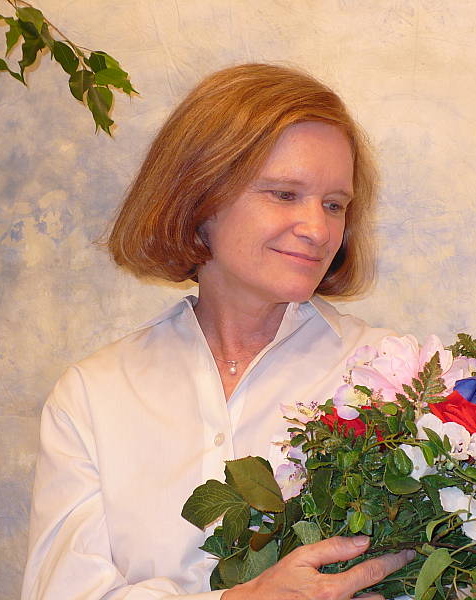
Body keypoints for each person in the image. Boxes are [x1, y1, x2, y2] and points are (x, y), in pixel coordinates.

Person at [21, 63, 414, 600]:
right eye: (284, 194)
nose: (319, 230)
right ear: (199, 197)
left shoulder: (394, 376)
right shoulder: (94, 395)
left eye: (334, 205)